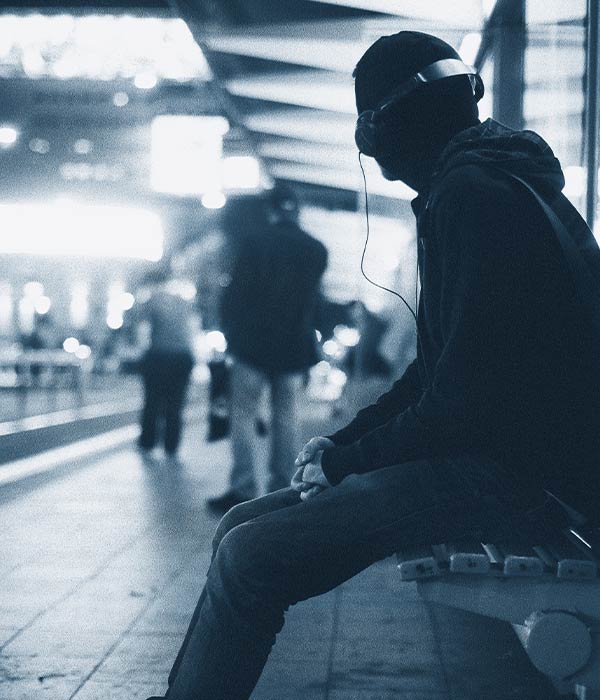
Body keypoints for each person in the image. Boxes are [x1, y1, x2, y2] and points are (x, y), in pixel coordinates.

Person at [145, 31, 600, 700]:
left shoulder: (472, 197)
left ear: (379, 127)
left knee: (250, 556)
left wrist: (347, 464)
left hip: (526, 478)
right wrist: (341, 444)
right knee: (241, 524)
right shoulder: (496, 184)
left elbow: (459, 404)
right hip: (522, 462)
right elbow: (435, 374)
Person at [206, 187, 328, 513]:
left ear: (271, 211)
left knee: (243, 415)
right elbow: (314, 301)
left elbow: (235, 294)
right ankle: (282, 489)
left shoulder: (255, 242)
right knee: (286, 417)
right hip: (293, 346)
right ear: (297, 212)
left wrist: (230, 333)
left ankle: (243, 487)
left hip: (252, 345)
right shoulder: (316, 250)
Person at [135, 266, 195, 461]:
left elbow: (143, 332)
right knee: (175, 403)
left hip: (159, 355)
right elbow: (192, 330)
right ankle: (171, 445)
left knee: (152, 401)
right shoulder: (184, 302)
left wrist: (143, 354)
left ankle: (148, 442)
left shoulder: (151, 300)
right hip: (183, 357)